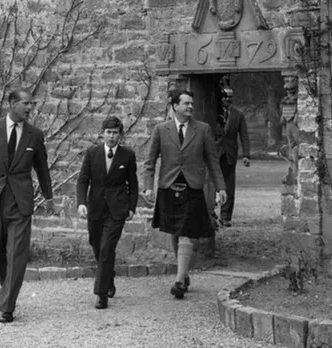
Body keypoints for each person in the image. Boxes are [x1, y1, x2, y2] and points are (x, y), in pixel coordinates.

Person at [0, 88, 54, 323]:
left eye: (32, 104)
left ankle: (7, 306)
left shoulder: (34, 135)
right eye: (26, 103)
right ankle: (9, 284)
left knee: (17, 255)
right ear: (12, 104)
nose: (30, 108)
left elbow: (42, 167)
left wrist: (48, 197)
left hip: (21, 203)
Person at [143, 89, 226, 299]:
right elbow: (150, 161)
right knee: (174, 231)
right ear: (174, 106)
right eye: (186, 103)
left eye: (192, 103)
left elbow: (213, 161)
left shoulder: (203, 129)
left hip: (192, 186)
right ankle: (184, 271)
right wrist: (148, 187)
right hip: (168, 186)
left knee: (187, 231)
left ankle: (179, 281)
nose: (190, 107)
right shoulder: (161, 130)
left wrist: (221, 187)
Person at [76, 116, 139, 309]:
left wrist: (131, 207)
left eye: (115, 133)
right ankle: (108, 277)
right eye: (109, 132)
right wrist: (81, 203)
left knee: (106, 248)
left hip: (117, 209)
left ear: (120, 135)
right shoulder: (92, 153)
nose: (112, 137)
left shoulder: (127, 155)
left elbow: (133, 184)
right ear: (103, 134)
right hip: (95, 207)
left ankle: (101, 294)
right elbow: (83, 180)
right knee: (96, 244)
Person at [214, 87, 250, 227]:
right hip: (215, 153)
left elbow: (244, 135)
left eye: (230, 97)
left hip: (230, 154)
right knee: (212, 183)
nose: (227, 99)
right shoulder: (214, 112)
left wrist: (246, 154)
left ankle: (225, 216)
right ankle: (211, 214)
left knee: (229, 185)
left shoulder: (238, 115)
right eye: (224, 96)